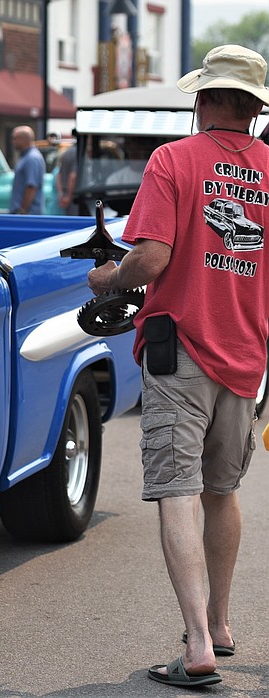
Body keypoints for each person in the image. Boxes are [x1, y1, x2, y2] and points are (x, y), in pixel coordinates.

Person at [86, 44, 269, 689]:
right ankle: (219, 623)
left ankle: (195, 646)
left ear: (210, 100)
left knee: (178, 491)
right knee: (222, 490)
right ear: (254, 109)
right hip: (247, 358)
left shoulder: (174, 160)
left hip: (180, 350)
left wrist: (107, 279)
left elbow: (152, 259)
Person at [9, 125, 45, 214]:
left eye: (15, 138)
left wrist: (22, 210)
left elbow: (31, 187)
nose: (12, 142)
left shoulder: (32, 158)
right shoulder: (26, 157)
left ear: (24, 139)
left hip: (28, 214)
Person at [55, 136, 78, 215]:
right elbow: (73, 177)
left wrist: (61, 194)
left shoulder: (67, 152)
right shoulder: (78, 153)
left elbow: (59, 175)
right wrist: (68, 196)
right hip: (74, 197)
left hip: (65, 196)